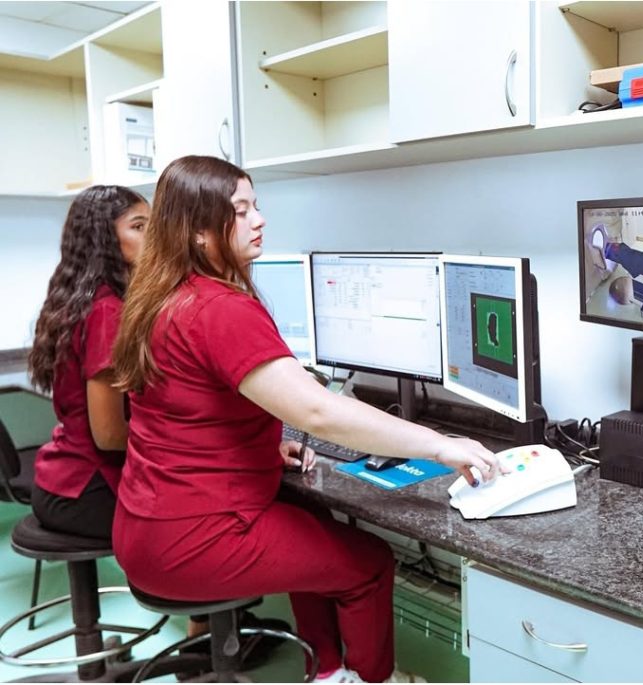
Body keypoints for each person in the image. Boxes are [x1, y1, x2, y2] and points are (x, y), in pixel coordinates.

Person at [110, 155, 503, 684]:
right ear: (200, 232)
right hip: (197, 537)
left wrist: (262, 449)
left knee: (311, 525)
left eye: (256, 205)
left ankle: (328, 671)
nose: (259, 220)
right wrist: (439, 444)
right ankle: (370, 680)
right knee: (367, 564)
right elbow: (317, 410)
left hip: (144, 528)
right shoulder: (220, 308)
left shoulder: (163, 297)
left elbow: (182, 413)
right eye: (241, 211)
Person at [28, 185, 148, 538]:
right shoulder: (107, 311)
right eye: (139, 227)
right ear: (104, 240)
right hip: (87, 489)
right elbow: (109, 434)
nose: (155, 237)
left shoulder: (84, 298)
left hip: (61, 479)